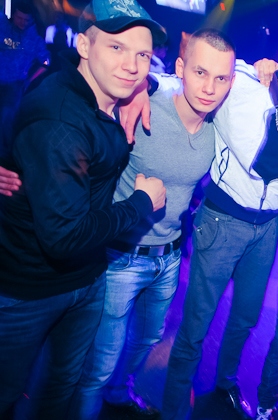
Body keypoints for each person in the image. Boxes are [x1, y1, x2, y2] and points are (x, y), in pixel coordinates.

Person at [142, 27, 278, 419]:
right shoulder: (244, 84)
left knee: (246, 319)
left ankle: (225, 385)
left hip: (267, 229)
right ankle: (174, 407)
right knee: (197, 324)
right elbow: (189, 80)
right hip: (222, 221)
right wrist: (138, 89)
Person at [0, 0, 167, 418]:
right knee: (6, 392)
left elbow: (164, 80)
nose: (131, 65)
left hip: (87, 277)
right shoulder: (60, 119)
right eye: (116, 47)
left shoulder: (109, 94)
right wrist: (142, 203)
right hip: (27, 287)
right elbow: (64, 236)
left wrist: (144, 88)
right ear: (84, 46)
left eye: (143, 55)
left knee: (63, 384)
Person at [74, 29, 235, 419]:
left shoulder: (221, 126)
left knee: (146, 341)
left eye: (221, 78)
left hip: (169, 258)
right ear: (180, 68)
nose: (209, 88)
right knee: (100, 362)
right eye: (200, 72)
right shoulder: (142, 107)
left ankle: (118, 392)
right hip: (120, 256)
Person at [0, 1, 49, 157]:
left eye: (26, 20)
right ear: (13, 15)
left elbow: (46, 62)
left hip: (14, 86)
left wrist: (29, 80)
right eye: (19, 18)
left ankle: (5, 156)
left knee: (6, 118)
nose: (23, 22)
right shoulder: (2, 27)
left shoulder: (34, 39)